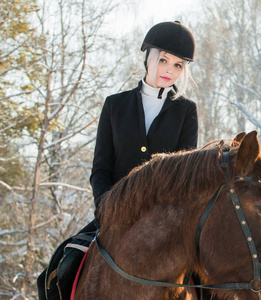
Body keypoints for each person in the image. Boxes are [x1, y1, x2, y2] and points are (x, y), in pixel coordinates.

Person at [37, 20, 199, 299]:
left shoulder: (186, 111)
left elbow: (183, 178)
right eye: (163, 60)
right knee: (56, 272)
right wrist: (106, 207)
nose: (169, 71)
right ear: (148, 57)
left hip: (165, 221)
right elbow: (100, 169)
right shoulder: (115, 105)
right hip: (113, 216)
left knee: (207, 281)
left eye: (178, 65)